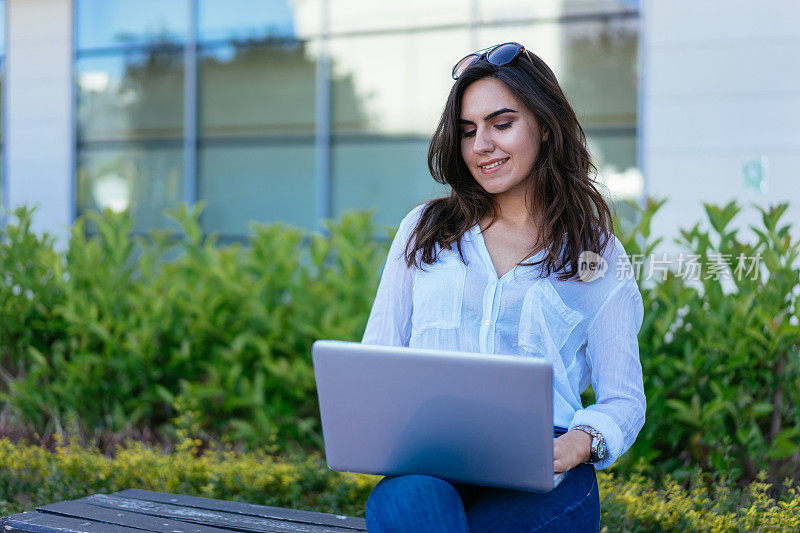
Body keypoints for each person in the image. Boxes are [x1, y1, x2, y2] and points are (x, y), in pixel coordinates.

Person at [360, 42, 645, 532]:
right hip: (428, 465)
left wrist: (581, 441)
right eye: (468, 131)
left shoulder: (595, 252)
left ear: (545, 126)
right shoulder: (424, 232)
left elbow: (624, 399)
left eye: (502, 123)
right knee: (413, 504)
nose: (481, 146)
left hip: (543, 470)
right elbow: (377, 361)